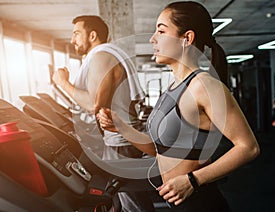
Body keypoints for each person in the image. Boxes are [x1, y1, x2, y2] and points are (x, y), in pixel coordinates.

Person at [97, 2, 260, 211]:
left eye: (161, 31)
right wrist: (121, 127)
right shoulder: (173, 87)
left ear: (187, 39)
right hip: (177, 204)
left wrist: (193, 180)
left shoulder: (204, 86)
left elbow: (248, 147)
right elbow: (160, 150)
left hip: (201, 204)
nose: (152, 38)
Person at [52, 15, 154, 212]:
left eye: (76, 34)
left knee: (133, 204)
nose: (72, 40)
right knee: (123, 201)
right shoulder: (106, 55)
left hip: (120, 142)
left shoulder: (101, 57)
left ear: (92, 35)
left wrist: (62, 82)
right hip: (120, 138)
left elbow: (93, 104)